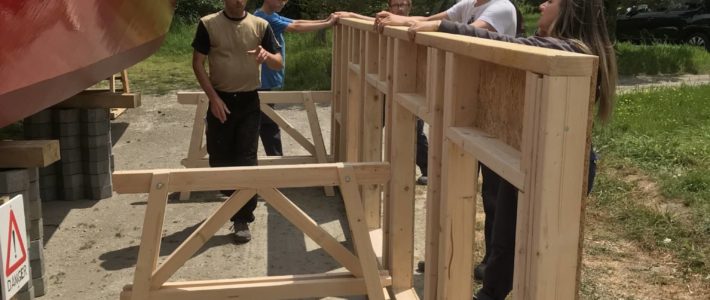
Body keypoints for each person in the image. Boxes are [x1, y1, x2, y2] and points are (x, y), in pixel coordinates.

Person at [407, 0, 617, 298]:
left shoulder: (570, 51)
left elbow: (502, 42)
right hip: (531, 157)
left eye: (551, 1)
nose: (542, 5)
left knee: (541, 258)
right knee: (506, 244)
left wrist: (441, 27)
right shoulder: (556, 45)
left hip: (562, 168)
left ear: (572, 9)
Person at [383, 0, 517, 280]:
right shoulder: (469, 3)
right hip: (465, 105)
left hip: (497, 112)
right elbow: (431, 18)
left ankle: (492, 263)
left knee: (493, 197)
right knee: (451, 186)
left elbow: (467, 32)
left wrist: (419, 24)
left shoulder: (502, 6)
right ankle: (444, 257)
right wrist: (399, 20)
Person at [192, 0, 283, 244]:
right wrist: (213, 98)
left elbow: (278, 61)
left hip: (248, 102)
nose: (237, 0)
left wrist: (267, 56)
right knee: (220, 160)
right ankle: (233, 200)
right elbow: (197, 63)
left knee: (246, 159)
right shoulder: (208, 24)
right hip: (220, 100)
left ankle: (242, 217)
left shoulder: (260, 25)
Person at [337, 0, 433, 185]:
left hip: (410, 87)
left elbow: (431, 22)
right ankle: (365, 168)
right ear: (390, 8)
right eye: (396, 5)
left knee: (415, 131)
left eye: (403, 5)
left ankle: (427, 169)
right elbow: (368, 19)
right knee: (373, 123)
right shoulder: (385, 23)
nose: (400, 8)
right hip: (385, 83)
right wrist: (351, 15)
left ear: (409, 6)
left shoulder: (415, 24)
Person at [254, 0, 338, 156]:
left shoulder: (270, 15)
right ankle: (274, 164)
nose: (283, 2)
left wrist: (326, 21)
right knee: (266, 124)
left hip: (265, 82)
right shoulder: (266, 18)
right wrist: (327, 24)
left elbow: (296, 21)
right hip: (262, 82)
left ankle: (272, 164)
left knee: (264, 123)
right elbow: (296, 27)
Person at [375, 0, 518, 38]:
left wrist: (437, 25)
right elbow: (428, 19)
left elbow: (472, 31)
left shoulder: (502, 7)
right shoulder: (468, 4)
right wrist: (394, 18)